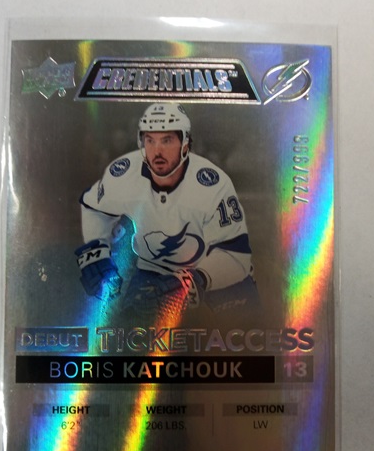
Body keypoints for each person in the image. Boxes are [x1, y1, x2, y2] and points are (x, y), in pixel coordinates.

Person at [75, 103, 259, 325]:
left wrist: (197, 280)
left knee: (244, 326)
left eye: (167, 140)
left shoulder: (213, 184)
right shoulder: (124, 173)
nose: (158, 151)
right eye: (150, 140)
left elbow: (236, 254)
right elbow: (94, 206)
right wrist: (96, 251)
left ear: (185, 145)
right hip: (151, 272)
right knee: (121, 326)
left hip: (208, 272)